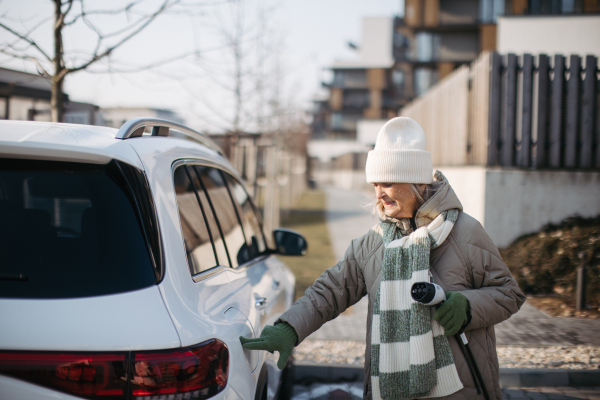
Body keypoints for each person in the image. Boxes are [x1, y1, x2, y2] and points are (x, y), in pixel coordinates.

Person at [240, 117, 525, 400]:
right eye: (375, 184)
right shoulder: (373, 243)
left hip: (459, 391)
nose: (379, 194)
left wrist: (468, 307)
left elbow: (509, 293)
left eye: (386, 183)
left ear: (415, 181)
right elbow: (329, 291)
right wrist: (289, 328)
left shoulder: (465, 233)